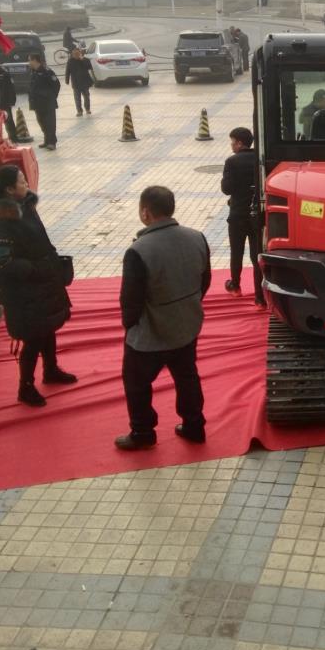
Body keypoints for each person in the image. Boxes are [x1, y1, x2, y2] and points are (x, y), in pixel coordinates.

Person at [116, 185, 211, 450]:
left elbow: (130, 300)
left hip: (150, 334)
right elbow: (205, 280)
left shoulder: (138, 250)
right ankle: (194, 426)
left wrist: (131, 326)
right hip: (187, 325)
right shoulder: (197, 237)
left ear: (145, 213)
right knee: (187, 376)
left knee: (136, 383)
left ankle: (143, 432)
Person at [0, 166, 76, 407]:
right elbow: (4, 262)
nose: (26, 183)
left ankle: (50, 369)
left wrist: (53, 261)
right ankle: (26, 386)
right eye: (22, 180)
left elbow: (41, 239)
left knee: (49, 325)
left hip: (44, 279)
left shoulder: (27, 207)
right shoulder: (3, 219)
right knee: (33, 337)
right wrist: (34, 269)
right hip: (24, 289)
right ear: (10, 189)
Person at [220, 127, 264, 305]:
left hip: (238, 214)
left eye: (232, 141)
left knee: (236, 251)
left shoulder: (232, 161)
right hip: (255, 215)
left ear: (239, 143)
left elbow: (226, 189)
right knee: (256, 255)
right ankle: (259, 296)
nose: (231, 145)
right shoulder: (258, 159)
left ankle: (235, 286)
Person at [28, 53, 60, 150]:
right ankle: (46, 141)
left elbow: (56, 85)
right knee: (41, 122)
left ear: (34, 60)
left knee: (50, 123)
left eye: (29, 60)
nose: (28, 62)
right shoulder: (33, 72)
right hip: (37, 103)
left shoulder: (47, 71)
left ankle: (52, 143)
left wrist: (51, 96)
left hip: (47, 102)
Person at [65, 46, 94, 116]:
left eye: (77, 54)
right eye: (74, 54)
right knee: (77, 98)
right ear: (72, 54)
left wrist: (82, 60)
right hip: (76, 83)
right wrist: (67, 80)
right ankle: (79, 111)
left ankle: (87, 109)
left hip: (85, 82)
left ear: (80, 53)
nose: (76, 55)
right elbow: (67, 71)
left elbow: (89, 67)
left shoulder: (85, 60)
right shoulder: (70, 61)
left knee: (86, 96)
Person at [0, 64, 18, 142]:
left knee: (8, 121)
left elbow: (11, 88)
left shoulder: (4, 74)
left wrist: (11, 101)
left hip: (4, 102)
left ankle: (13, 139)